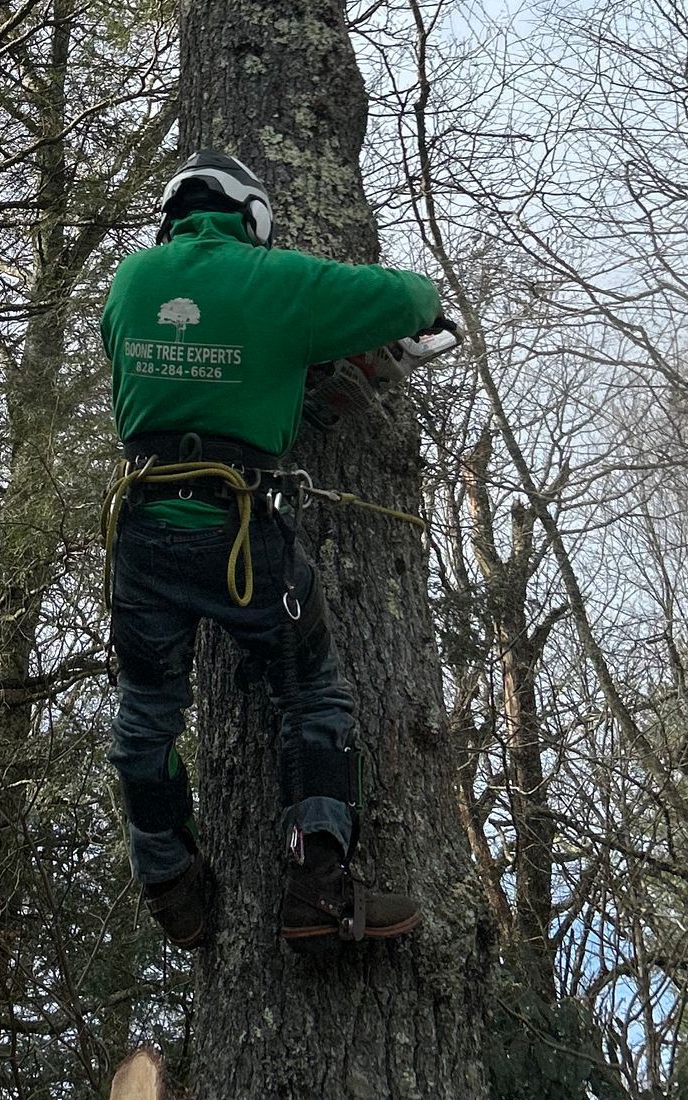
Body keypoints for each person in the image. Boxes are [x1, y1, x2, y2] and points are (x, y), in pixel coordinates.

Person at [99, 147, 453, 953]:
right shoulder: (275, 278)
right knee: (313, 699)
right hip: (240, 533)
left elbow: (172, 377)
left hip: (146, 534)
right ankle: (318, 890)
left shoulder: (128, 282)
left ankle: (167, 876)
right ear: (250, 216)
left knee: (147, 713)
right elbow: (408, 296)